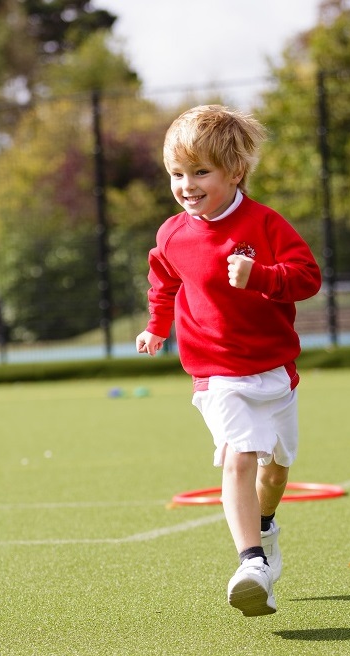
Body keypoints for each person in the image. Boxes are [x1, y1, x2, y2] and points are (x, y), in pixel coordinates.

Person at [136, 104, 321, 617]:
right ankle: (252, 562)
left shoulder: (265, 224)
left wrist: (261, 275)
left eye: (200, 172)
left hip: (274, 371)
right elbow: (164, 280)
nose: (186, 184)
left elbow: (308, 278)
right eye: (177, 173)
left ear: (235, 172)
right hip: (215, 374)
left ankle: (264, 525)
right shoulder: (172, 233)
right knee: (239, 455)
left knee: (277, 470)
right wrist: (157, 327)